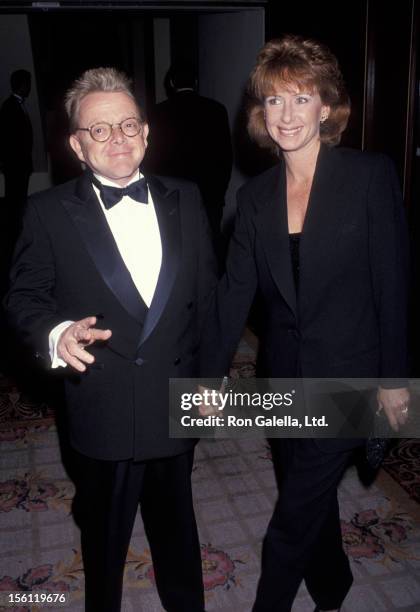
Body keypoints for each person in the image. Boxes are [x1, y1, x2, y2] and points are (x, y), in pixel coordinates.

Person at [200, 35, 410, 612]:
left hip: (351, 376)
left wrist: (396, 379)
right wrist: (211, 378)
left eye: (300, 98)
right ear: (260, 113)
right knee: (309, 498)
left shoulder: (369, 176)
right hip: (284, 375)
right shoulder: (257, 197)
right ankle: (334, 588)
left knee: (289, 520)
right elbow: (232, 295)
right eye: (273, 101)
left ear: (326, 106)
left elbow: (393, 283)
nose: (286, 115)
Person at [4, 67, 217, 612]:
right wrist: (56, 332)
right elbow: (23, 298)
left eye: (128, 124)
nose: (118, 138)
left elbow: (206, 301)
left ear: (146, 132)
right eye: (99, 130)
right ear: (76, 143)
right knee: (104, 536)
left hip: (177, 398)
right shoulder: (46, 212)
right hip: (103, 405)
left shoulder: (187, 198)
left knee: (178, 525)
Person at [144, 61, 233, 263]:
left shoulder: (157, 113)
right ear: (196, 81)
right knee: (210, 250)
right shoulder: (216, 110)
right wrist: (219, 193)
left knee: (173, 250)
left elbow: (151, 159)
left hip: (169, 194)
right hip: (209, 194)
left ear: (172, 83)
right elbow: (225, 157)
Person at [0, 69, 33, 226]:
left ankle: (17, 223)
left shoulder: (17, 105)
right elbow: (7, 139)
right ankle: (13, 226)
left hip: (20, 164)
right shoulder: (9, 107)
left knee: (18, 197)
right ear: (22, 85)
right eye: (28, 83)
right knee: (14, 197)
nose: (30, 87)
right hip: (15, 165)